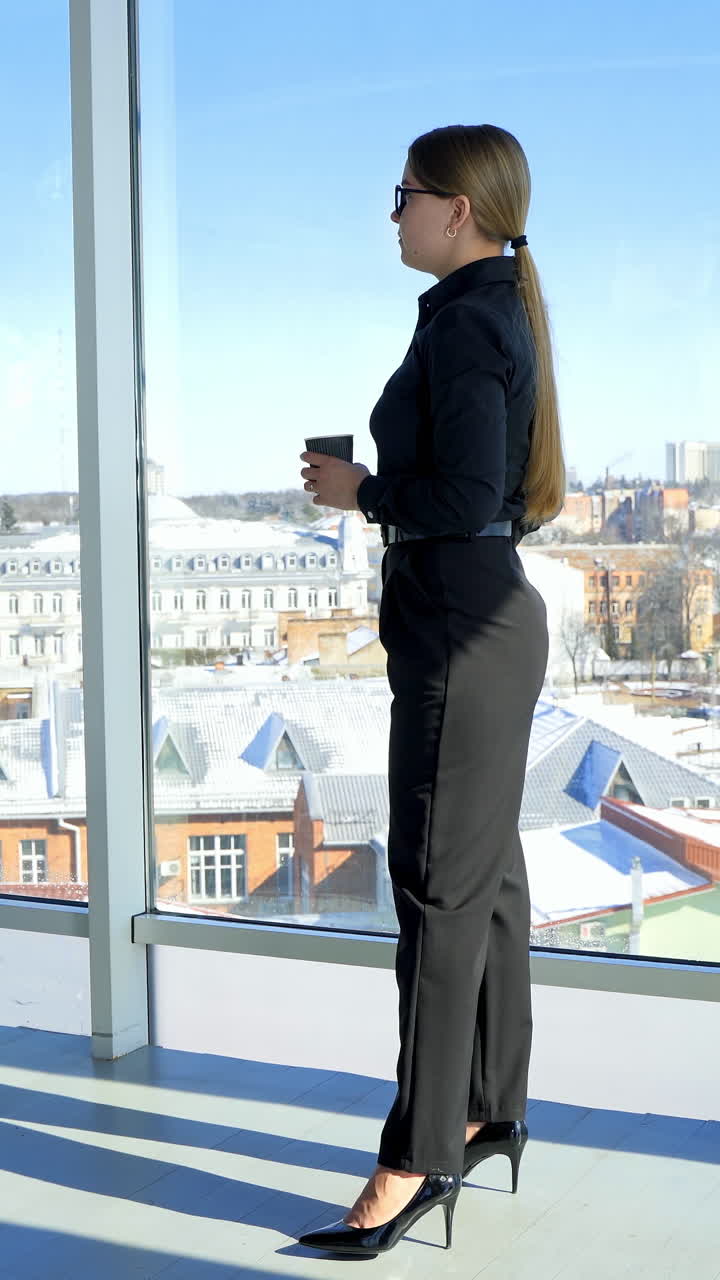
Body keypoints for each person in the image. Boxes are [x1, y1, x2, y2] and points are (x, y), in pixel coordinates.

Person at [297, 122, 565, 1259]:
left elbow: (455, 492)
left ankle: (415, 1154)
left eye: (403, 193)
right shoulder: (491, 310)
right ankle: (486, 1103)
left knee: (438, 897)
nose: (394, 212)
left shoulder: (469, 323)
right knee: (484, 874)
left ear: (458, 207)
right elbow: (495, 491)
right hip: (477, 618)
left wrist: (362, 490)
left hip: (461, 625)